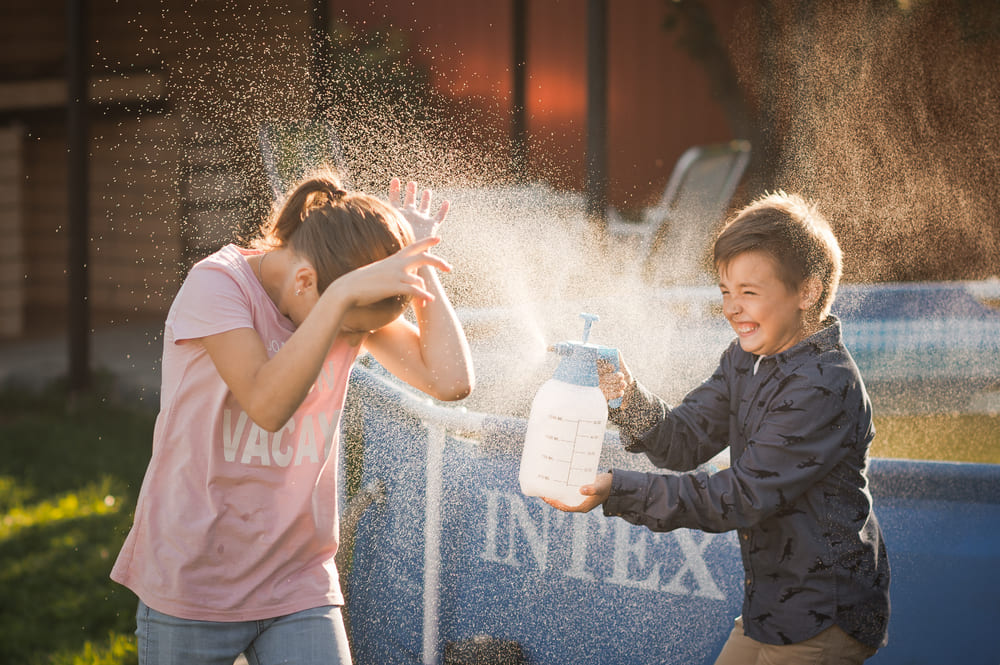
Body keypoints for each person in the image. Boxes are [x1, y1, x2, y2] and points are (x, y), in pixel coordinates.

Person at [111, 171, 475, 665]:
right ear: (306, 281)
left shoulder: (339, 300)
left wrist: (418, 264)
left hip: (298, 578)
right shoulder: (218, 284)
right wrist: (339, 301)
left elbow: (450, 381)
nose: (351, 336)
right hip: (194, 578)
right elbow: (267, 406)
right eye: (349, 325)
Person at [546, 192, 890, 664]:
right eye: (725, 291)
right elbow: (682, 441)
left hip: (821, 617)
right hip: (769, 609)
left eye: (749, 292)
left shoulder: (825, 384)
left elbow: (738, 498)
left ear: (806, 292)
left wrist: (615, 490)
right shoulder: (744, 358)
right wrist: (622, 392)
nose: (731, 308)